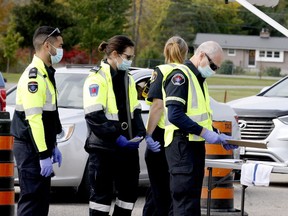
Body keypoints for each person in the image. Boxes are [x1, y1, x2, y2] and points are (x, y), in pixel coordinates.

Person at [163, 41, 238, 216]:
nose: (213, 70)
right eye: (212, 65)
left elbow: (200, 117)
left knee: (192, 202)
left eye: (216, 68)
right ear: (202, 55)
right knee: (184, 201)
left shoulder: (199, 80)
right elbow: (174, 115)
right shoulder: (180, 76)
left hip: (194, 146)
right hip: (181, 145)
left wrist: (217, 134)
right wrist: (206, 133)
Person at [83, 35, 146, 216]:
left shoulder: (128, 79)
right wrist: (116, 137)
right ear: (115, 54)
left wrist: (141, 134)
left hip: (126, 149)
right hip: (104, 148)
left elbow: (135, 110)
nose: (130, 61)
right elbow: (94, 116)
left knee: (128, 197)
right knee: (101, 200)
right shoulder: (97, 78)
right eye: (128, 57)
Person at [11, 26, 64, 216]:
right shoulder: (33, 77)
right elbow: (34, 119)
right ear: (47, 46)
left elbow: (49, 117)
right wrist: (43, 154)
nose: (61, 50)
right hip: (30, 147)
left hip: (40, 146)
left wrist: (54, 145)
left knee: (41, 202)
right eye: (60, 46)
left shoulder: (46, 73)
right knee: (32, 200)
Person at [142, 36, 189, 216]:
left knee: (158, 188)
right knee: (173, 190)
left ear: (165, 51)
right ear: (185, 52)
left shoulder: (161, 71)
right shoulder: (188, 72)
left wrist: (148, 133)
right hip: (182, 137)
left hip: (161, 136)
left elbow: (157, 106)